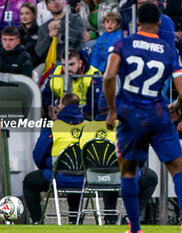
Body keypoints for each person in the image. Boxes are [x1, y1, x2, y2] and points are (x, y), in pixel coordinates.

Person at [103, 3, 182, 233]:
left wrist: (111, 110)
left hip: (130, 117)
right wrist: (177, 106)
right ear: (159, 23)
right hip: (158, 114)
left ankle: (135, 229)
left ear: (137, 22)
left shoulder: (123, 44)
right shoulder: (169, 50)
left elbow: (109, 76)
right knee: (177, 169)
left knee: (128, 172)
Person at [79, 92, 158, 225]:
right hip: (121, 175)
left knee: (107, 168)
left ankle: (109, 216)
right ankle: (131, 217)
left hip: (94, 176)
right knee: (150, 177)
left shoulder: (86, 126)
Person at [23, 93, 85, 225]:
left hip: (58, 177)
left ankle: (37, 221)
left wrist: (47, 166)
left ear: (62, 106)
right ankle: (75, 221)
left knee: (29, 182)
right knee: (76, 174)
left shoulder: (52, 127)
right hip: (84, 180)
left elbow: (38, 155)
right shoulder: (88, 127)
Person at [42, 49, 102, 120]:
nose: (68, 69)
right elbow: (46, 94)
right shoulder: (55, 72)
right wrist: (49, 106)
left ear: (80, 63)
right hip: (60, 115)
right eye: (64, 65)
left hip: (85, 118)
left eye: (72, 64)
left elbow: (94, 105)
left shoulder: (94, 76)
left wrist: (67, 112)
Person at [18, 2, 41, 67]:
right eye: (21, 14)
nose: (24, 16)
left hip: (35, 64)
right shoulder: (17, 31)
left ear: (34, 15)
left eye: (27, 13)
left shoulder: (40, 31)